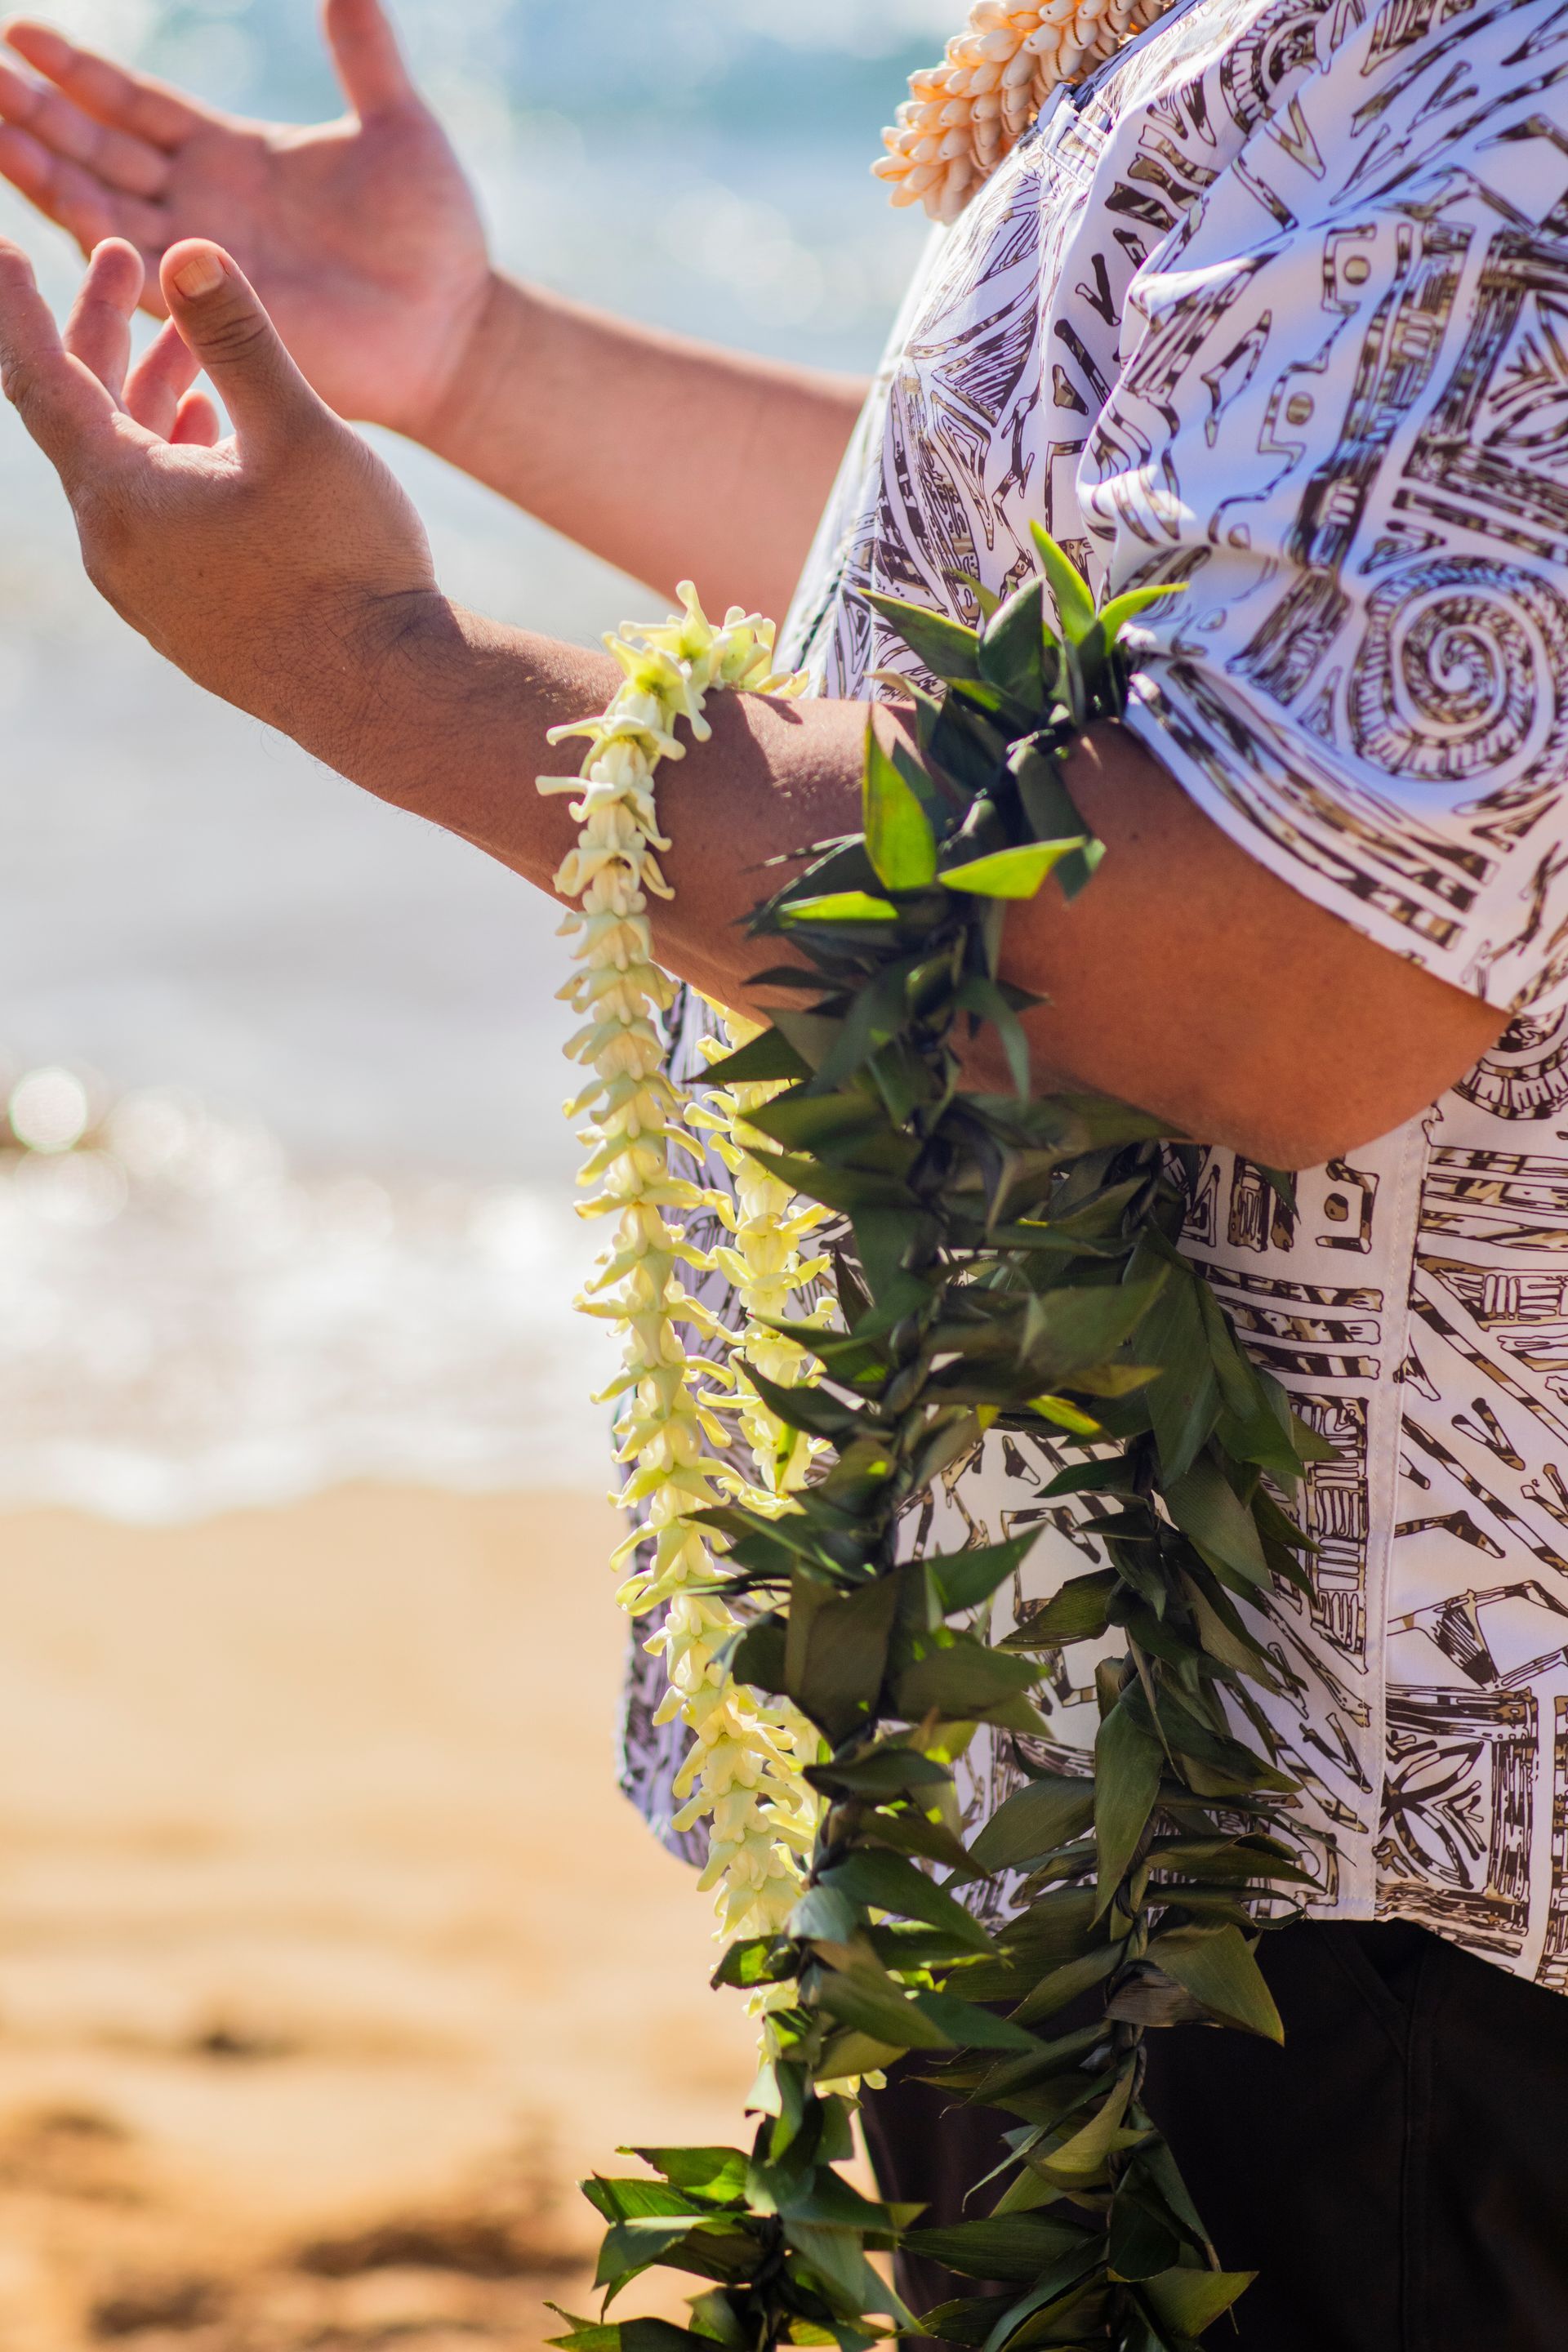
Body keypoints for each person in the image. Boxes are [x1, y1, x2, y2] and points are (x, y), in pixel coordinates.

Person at [1, 0, 1566, 2342]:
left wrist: (384, 663)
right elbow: (1158, 645)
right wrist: (481, 360)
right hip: (1168, 1788)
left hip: (1345, 1879)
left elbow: (1274, 963)